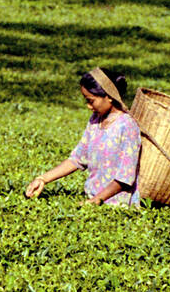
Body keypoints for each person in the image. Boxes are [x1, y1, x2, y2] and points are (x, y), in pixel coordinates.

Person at [25, 68, 141, 207]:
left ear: (109, 97)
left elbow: (125, 177)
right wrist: (43, 179)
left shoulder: (127, 126)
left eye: (91, 101)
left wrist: (95, 201)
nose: (88, 106)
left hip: (117, 205)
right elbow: (78, 158)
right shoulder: (95, 120)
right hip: (91, 199)